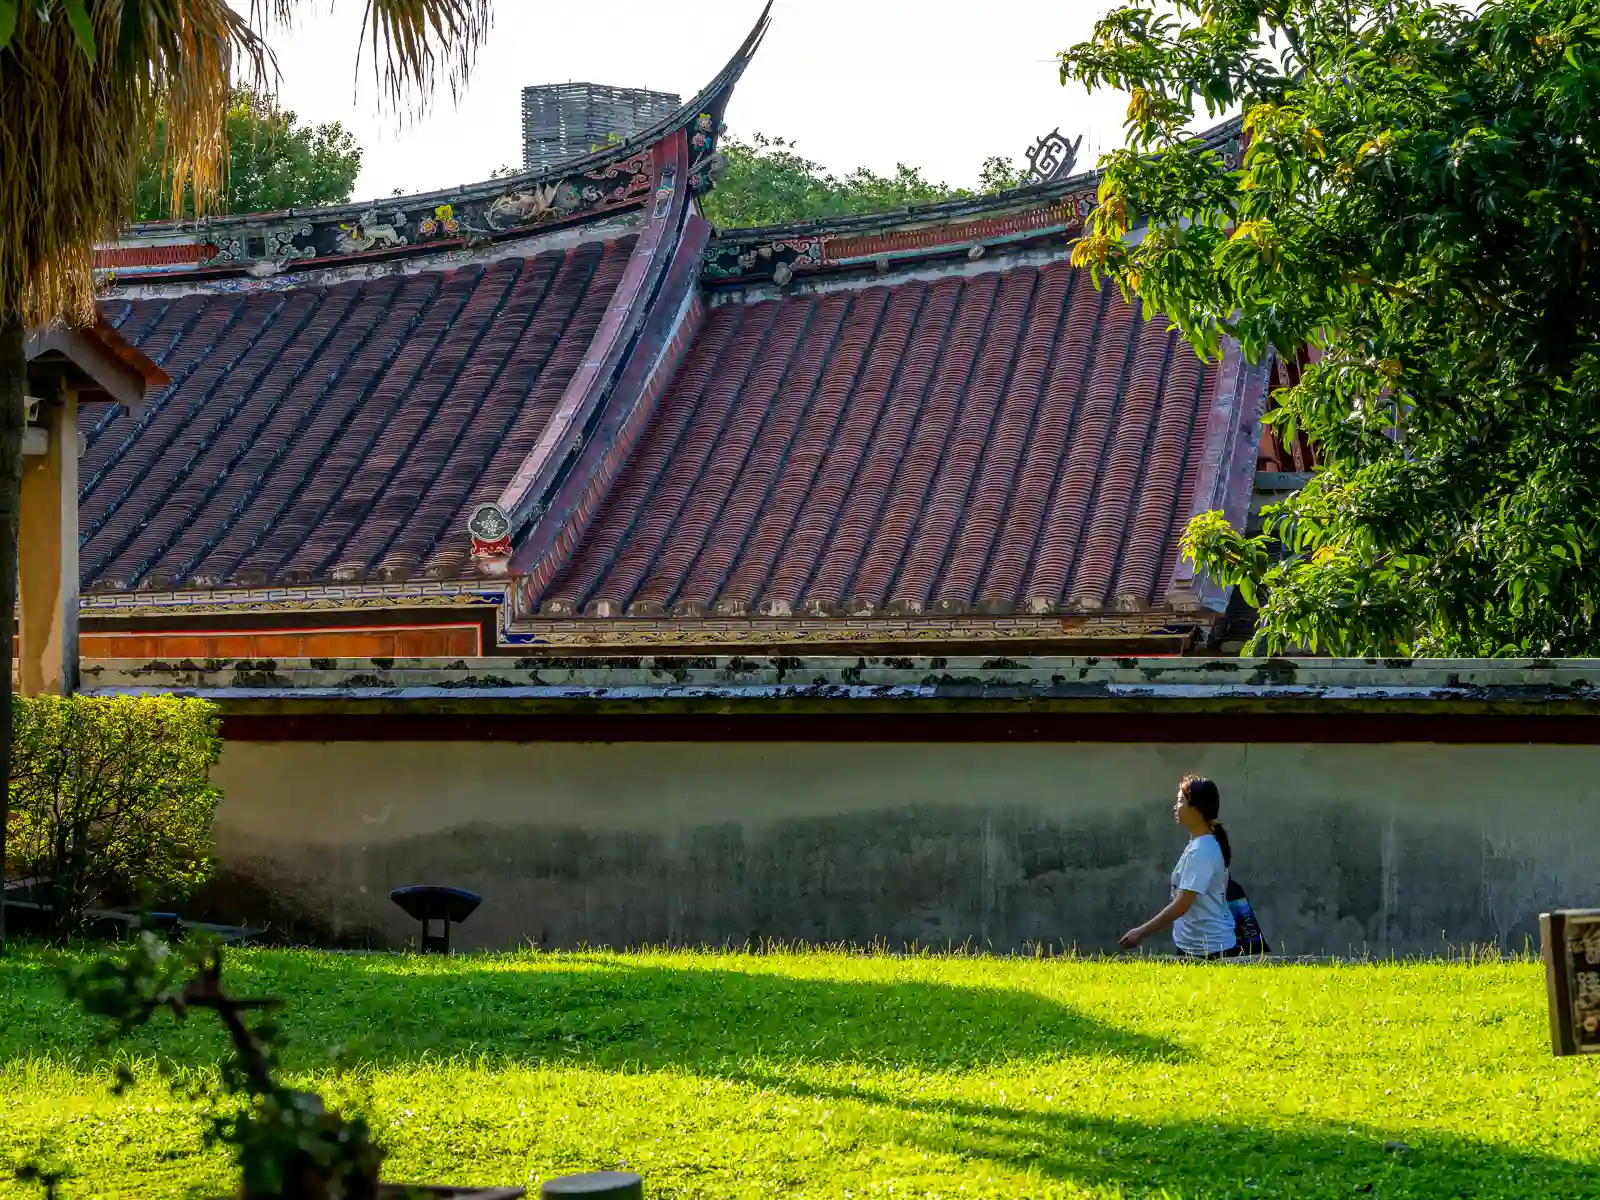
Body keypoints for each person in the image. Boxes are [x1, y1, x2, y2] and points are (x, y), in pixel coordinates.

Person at [1119, 775, 1241, 959]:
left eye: (1180, 801)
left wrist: (1141, 932)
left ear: (1197, 809)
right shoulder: (1199, 844)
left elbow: (1182, 904)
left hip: (1211, 950)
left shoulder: (1202, 850)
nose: (1176, 807)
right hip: (1195, 947)